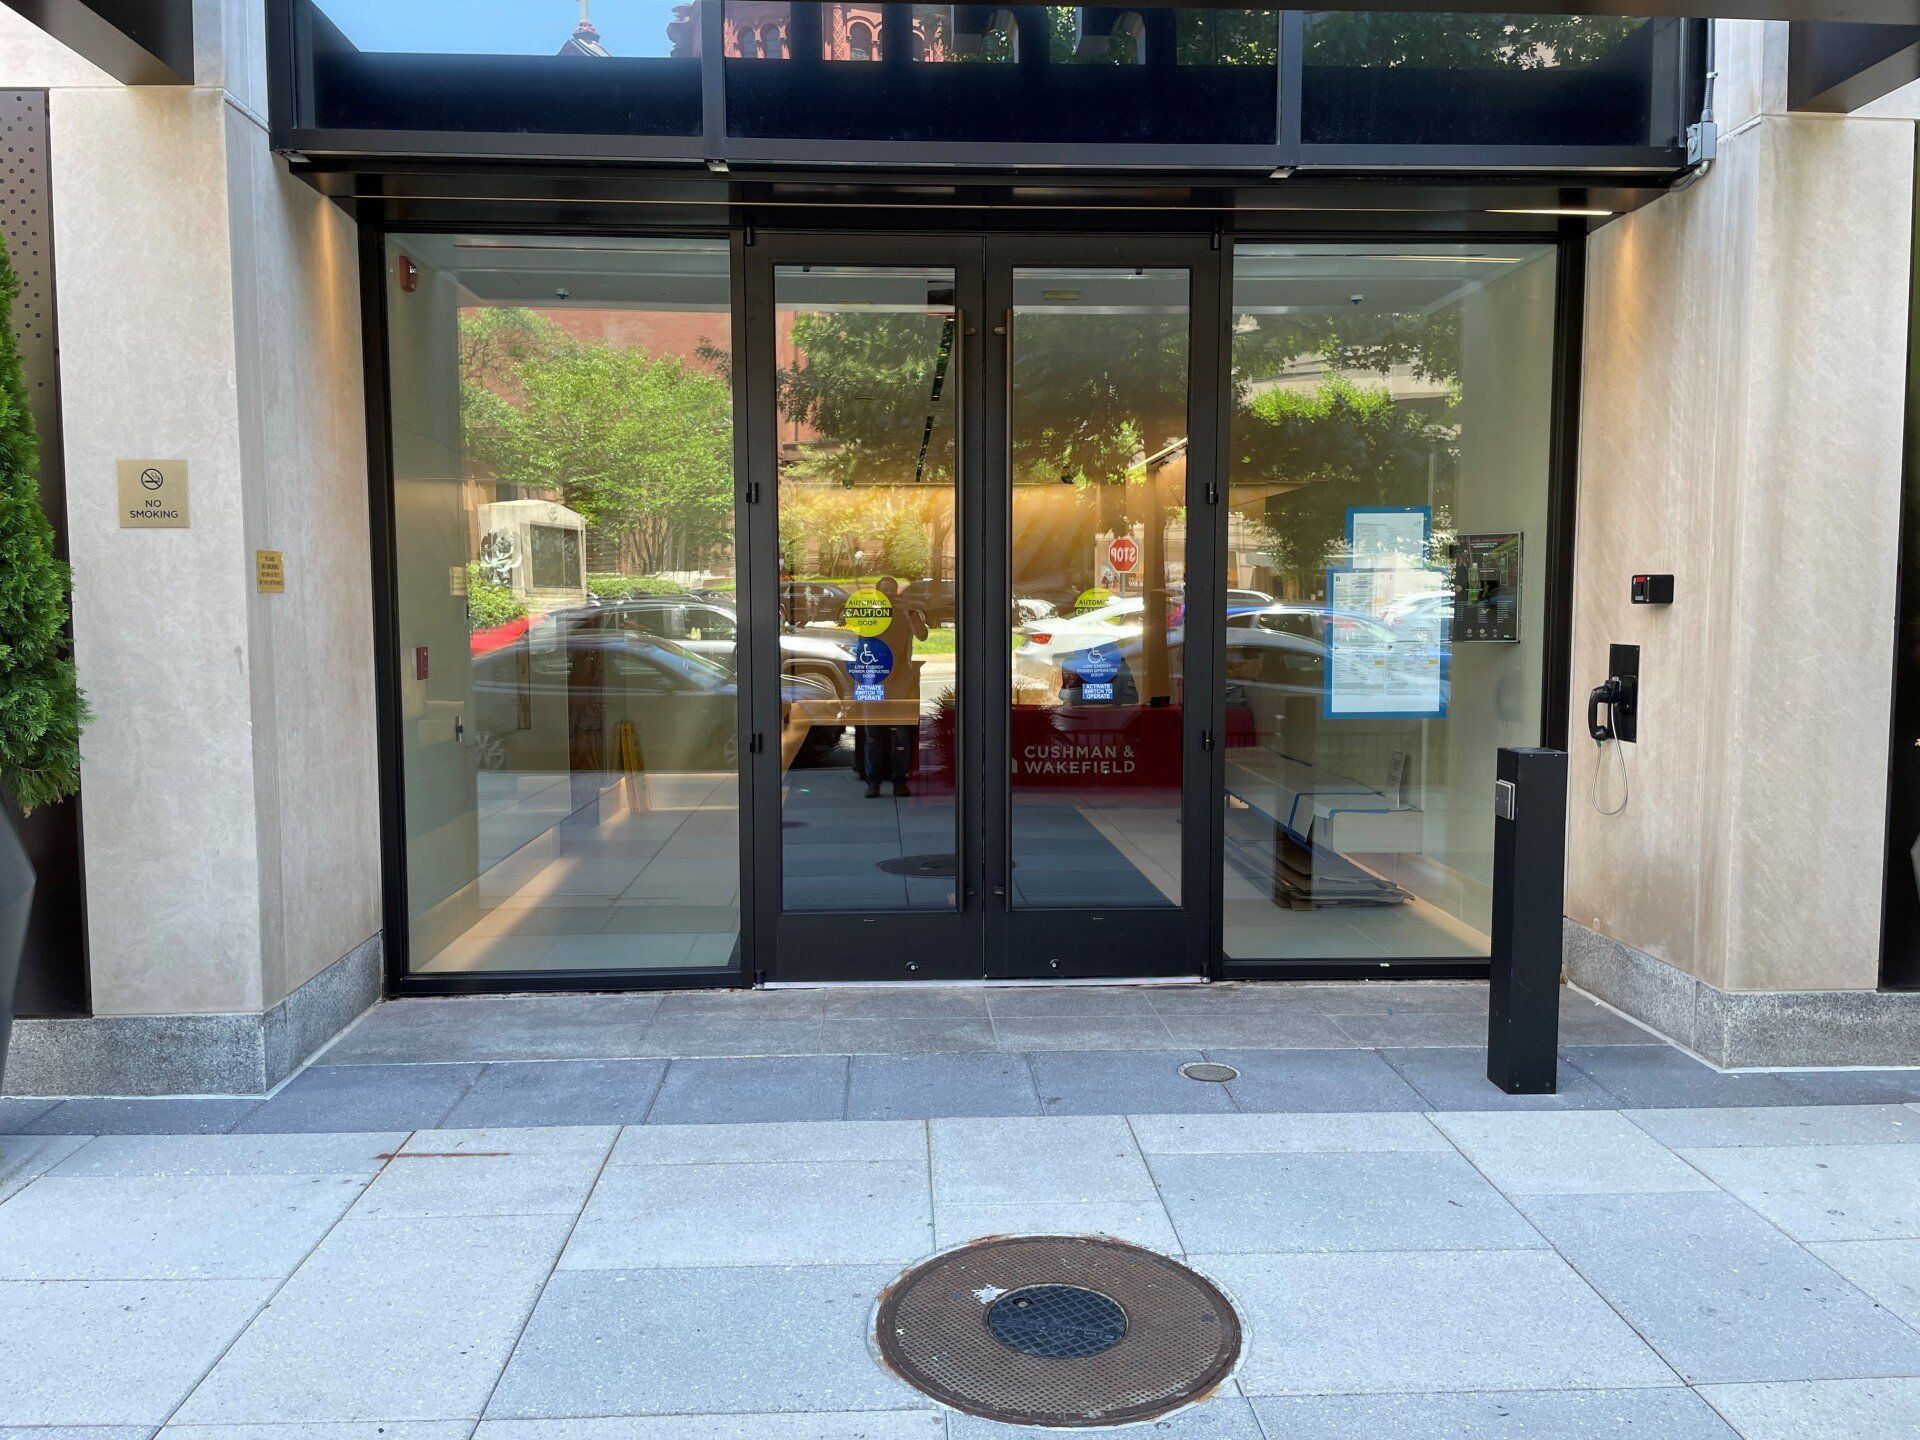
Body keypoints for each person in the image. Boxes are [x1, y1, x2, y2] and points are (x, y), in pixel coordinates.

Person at [860, 575, 929, 799]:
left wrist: (908, 612)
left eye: (892, 589)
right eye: (884, 590)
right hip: (874, 679)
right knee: (873, 735)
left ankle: (900, 781)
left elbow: (923, 635)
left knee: (901, 734)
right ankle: (873, 783)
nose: (889, 594)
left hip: (901, 680)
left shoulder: (908, 612)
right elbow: (859, 643)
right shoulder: (871, 615)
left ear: (898, 592)